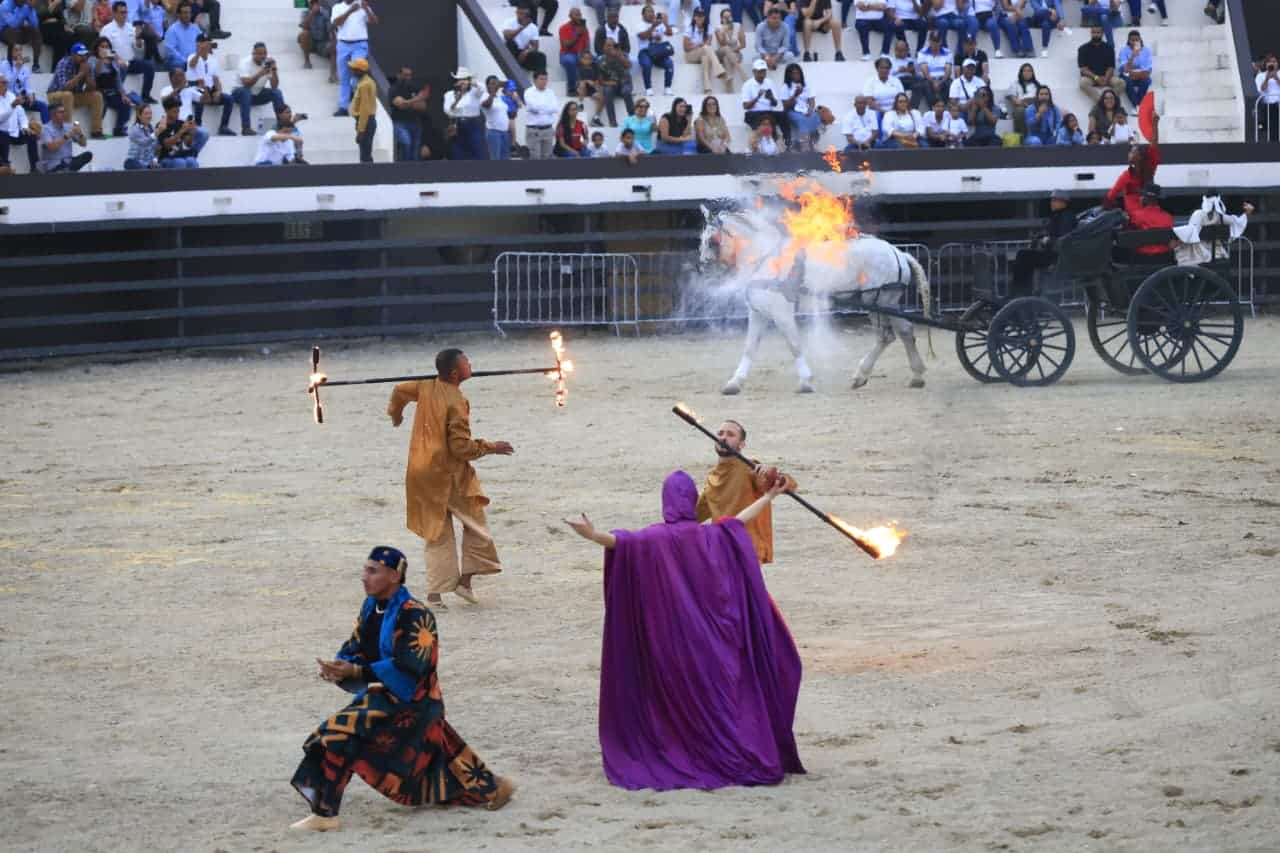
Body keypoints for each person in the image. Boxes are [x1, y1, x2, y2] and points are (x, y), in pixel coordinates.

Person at [563, 470, 804, 791]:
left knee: (677, 707)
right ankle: (723, 756)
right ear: (692, 502)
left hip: (672, 648)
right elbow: (739, 521)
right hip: (713, 645)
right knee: (717, 706)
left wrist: (591, 534)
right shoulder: (712, 536)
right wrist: (769, 497)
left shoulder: (651, 539)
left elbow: (618, 541)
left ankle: (689, 754)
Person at [289, 546, 515, 831]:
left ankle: (325, 815)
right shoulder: (371, 607)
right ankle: (494, 788)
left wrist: (358, 671)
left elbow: (411, 668)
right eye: (364, 569)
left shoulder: (416, 615)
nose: (364, 576)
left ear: (394, 576)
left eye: (373, 571)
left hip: (413, 704)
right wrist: (339, 668)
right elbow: (357, 647)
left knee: (335, 737)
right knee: (436, 766)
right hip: (387, 697)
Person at [386, 348, 513, 610]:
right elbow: (460, 448)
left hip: (420, 472)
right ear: (456, 373)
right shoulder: (456, 401)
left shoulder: (424, 386)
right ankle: (464, 582)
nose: (471, 364)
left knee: (437, 532)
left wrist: (396, 414)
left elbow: (399, 391)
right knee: (476, 525)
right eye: (467, 362)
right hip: (448, 475)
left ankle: (434, 596)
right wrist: (491, 446)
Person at [694, 420, 796, 564]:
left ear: (742, 444)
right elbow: (695, 516)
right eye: (720, 433)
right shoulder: (713, 476)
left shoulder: (750, 467)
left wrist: (773, 476)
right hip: (720, 549)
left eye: (730, 435)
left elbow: (788, 485)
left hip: (746, 550)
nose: (723, 437)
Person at [1010, 188, 1074, 294]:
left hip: (1057, 256)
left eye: (1055, 201)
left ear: (1064, 203)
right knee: (1024, 256)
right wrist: (1039, 236)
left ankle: (1019, 293)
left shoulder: (1067, 217)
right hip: (1052, 253)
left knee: (1023, 256)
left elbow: (1064, 238)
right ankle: (1022, 292)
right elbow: (1050, 231)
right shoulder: (1058, 215)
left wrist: (1048, 240)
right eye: (1052, 200)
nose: (1052, 203)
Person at [98, 1, 154, 103]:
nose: (124, 15)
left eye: (125, 12)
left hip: (130, 62)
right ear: (114, 13)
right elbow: (102, 51)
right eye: (121, 12)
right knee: (119, 67)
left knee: (149, 65)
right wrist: (116, 58)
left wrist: (138, 40)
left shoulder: (131, 28)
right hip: (114, 63)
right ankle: (118, 94)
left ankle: (146, 95)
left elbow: (138, 50)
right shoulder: (106, 30)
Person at [1103, 109, 1157, 212]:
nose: (1129, 153)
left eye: (1132, 152)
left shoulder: (1127, 175)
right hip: (1146, 212)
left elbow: (1111, 196)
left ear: (1139, 158)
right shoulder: (1150, 169)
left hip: (1136, 214)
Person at [46, 41, 104, 137]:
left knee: (97, 95)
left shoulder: (86, 65)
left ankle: (96, 130)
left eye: (85, 55)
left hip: (74, 96)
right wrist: (80, 74)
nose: (84, 58)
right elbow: (64, 87)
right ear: (73, 55)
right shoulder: (64, 63)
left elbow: (92, 88)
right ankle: (66, 130)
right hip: (55, 95)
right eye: (80, 55)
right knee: (67, 95)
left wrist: (88, 75)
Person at [331, 0, 376, 117]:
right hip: (343, 44)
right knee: (343, 77)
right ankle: (343, 107)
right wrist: (350, 11)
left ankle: (358, 102)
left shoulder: (362, 4)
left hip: (360, 44)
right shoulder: (337, 7)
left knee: (357, 73)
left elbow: (374, 21)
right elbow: (336, 23)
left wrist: (366, 9)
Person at [232, 42, 286, 136]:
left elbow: (274, 86)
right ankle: (246, 128)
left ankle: (281, 125)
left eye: (265, 53)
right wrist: (260, 74)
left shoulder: (267, 63)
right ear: (253, 54)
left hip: (257, 94)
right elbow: (246, 84)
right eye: (260, 54)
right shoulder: (244, 62)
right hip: (239, 94)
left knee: (277, 93)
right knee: (246, 92)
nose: (263, 56)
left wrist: (274, 71)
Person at [88, 36, 133, 137]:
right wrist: (101, 59)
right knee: (102, 105)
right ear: (97, 48)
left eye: (107, 47)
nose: (105, 49)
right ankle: (96, 130)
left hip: (112, 91)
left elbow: (118, 79)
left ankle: (119, 128)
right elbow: (95, 74)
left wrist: (123, 94)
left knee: (126, 104)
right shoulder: (92, 59)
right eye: (102, 46)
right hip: (99, 90)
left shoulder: (112, 61)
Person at [0, 68, 38, 171]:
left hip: (15, 133)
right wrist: (12, 106)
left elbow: (21, 114)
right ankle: (5, 166)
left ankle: (34, 167)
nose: (6, 84)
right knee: (3, 135)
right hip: (3, 134)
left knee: (32, 135)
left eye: (6, 82)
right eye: (3, 82)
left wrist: (25, 127)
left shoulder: (11, 95)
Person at [36, 98, 91, 169]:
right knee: (62, 167)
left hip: (69, 161)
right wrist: (67, 136)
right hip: (54, 164)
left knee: (88, 155)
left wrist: (80, 134)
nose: (64, 114)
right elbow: (51, 147)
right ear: (52, 114)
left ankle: (68, 169)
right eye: (61, 112)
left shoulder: (69, 126)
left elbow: (84, 144)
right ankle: (66, 170)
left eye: (64, 112)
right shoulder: (45, 128)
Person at [0, 41, 48, 122]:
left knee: (43, 106)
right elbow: (7, 84)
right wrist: (17, 69)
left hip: (22, 98)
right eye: (16, 50)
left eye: (20, 50)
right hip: (8, 99)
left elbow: (27, 86)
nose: (19, 52)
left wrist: (30, 94)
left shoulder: (25, 68)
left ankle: (48, 132)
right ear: (10, 52)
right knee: (17, 108)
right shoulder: (4, 65)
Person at [444, 66, 484, 160]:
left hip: (473, 123)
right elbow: (448, 111)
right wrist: (457, 100)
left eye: (465, 79)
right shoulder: (450, 94)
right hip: (458, 124)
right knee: (458, 152)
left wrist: (471, 82)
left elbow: (483, 88)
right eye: (460, 80)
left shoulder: (474, 93)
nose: (462, 82)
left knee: (476, 150)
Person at [1124, 183, 1174, 259]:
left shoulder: (1136, 216)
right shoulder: (1168, 217)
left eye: (1142, 196)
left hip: (1142, 258)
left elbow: (1127, 233)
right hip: (1164, 258)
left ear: (1145, 198)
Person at [390, 64, 428, 162]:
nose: (408, 77)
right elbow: (400, 104)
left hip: (415, 123)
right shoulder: (394, 89)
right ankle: (402, 171)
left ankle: (413, 175)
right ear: (398, 75)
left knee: (414, 152)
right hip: (400, 123)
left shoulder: (414, 88)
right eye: (405, 75)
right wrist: (416, 99)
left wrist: (408, 102)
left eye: (409, 75)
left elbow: (423, 106)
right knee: (405, 143)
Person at [682, 6, 724, 94]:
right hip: (690, 56)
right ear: (694, 17)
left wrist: (696, 45)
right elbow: (686, 48)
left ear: (705, 17)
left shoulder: (708, 27)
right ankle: (718, 68)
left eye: (702, 16)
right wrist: (698, 45)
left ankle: (707, 88)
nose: (700, 18)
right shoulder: (690, 28)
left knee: (705, 58)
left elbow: (707, 44)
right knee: (706, 49)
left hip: (703, 53)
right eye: (698, 16)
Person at [1077, 24, 1123, 104]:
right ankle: (1102, 102)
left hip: (1106, 76)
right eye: (1094, 32)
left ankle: (1111, 100)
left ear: (1102, 33)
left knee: (1121, 83)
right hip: (1091, 77)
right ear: (1091, 33)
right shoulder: (1083, 49)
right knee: (1083, 83)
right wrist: (1096, 78)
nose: (1096, 35)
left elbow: (1111, 67)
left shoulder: (1109, 48)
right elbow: (1083, 69)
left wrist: (1106, 79)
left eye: (1098, 32)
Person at [742, 57, 785, 139]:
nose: (762, 74)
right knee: (764, 118)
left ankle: (787, 141)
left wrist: (771, 97)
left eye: (764, 71)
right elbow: (745, 106)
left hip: (768, 111)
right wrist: (757, 98)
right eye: (760, 71)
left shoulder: (770, 82)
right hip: (754, 112)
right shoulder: (747, 85)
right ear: (754, 72)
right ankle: (761, 142)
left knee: (783, 115)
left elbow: (775, 104)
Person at [637, 5, 674, 96]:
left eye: (652, 12)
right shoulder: (640, 25)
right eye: (648, 12)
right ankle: (648, 89)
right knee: (647, 64)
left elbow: (670, 33)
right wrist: (653, 27)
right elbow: (643, 36)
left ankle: (667, 88)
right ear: (643, 15)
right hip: (645, 51)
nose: (651, 14)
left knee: (669, 63)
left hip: (658, 52)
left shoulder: (660, 24)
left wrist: (665, 23)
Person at [596, 37, 632, 127]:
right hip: (612, 85)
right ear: (604, 47)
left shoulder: (622, 54)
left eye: (612, 45)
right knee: (607, 91)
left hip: (625, 83)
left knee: (626, 92)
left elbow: (629, 66)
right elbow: (600, 81)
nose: (610, 48)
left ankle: (632, 119)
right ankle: (612, 122)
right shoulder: (601, 60)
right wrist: (609, 83)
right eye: (607, 45)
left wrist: (618, 56)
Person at [155, 92, 199, 166]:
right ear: (167, 111)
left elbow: (188, 144)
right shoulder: (161, 125)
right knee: (180, 162)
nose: (177, 114)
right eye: (174, 111)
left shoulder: (180, 123)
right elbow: (167, 145)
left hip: (179, 155)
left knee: (192, 161)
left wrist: (192, 132)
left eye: (178, 111)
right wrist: (181, 131)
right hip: (165, 158)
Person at [298, 0, 336, 83]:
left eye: (316, 3)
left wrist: (332, 42)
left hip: (322, 43)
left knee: (333, 47)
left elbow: (330, 30)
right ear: (309, 4)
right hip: (311, 42)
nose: (314, 5)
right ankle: (307, 62)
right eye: (312, 3)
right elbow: (303, 26)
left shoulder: (325, 13)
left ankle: (333, 75)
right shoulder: (306, 13)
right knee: (304, 34)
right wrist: (312, 14)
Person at [781, 61, 817, 150]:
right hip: (792, 111)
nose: (796, 75)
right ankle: (805, 147)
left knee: (815, 117)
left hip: (805, 110)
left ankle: (812, 144)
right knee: (802, 120)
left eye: (798, 72)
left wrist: (810, 110)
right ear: (789, 75)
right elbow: (786, 106)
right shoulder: (785, 87)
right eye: (793, 73)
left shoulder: (806, 85)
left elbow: (811, 100)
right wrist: (795, 94)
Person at [522, 68, 557, 159]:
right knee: (535, 157)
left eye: (546, 79)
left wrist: (540, 108)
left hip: (548, 129)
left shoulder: (551, 92)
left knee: (547, 157)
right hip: (534, 130)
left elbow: (555, 108)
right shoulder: (528, 92)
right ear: (535, 80)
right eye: (541, 79)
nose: (544, 81)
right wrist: (546, 107)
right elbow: (534, 107)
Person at [0, 0, 43, 72]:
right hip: (3, 31)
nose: (24, 1)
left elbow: (35, 24)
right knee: (13, 33)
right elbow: (12, 24)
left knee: (35, 32)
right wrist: (22, 9)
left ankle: (36, 65)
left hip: (18, 30)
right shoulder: (5, 5)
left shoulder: (25, 5)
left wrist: (31, 9)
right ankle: (10, 64)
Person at [348, 54, 375, 162]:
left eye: (353, 69)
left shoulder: (364, 85)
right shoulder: (368, 81)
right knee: (366, 153)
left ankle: (368, 177)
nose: (351, 71)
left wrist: (361, 131)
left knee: (365, 155)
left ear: (360, 71)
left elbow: (364, 109)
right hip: (368, 121)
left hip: (365, 122)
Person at [503, 6, 546, 73]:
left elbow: (535, 46)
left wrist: (527, 51)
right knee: (510, 43)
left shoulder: (533, 27)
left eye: (524, 12)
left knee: (541, 56)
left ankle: (539, 78)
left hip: (523, 52)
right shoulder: (509, 22)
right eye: (520, 11)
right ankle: (512, 68)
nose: (521, 14)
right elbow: (507, 37)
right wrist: (522, 27)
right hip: (511, 51)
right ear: (516, 12)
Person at [1115, 28, 1150, 110]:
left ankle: (1137, 106)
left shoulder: (1146, 51)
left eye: (1136, 40)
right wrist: (1132, 56)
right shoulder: (1123, 50)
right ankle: (1138, 106)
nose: (1134, 42)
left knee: (1147, 80)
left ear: (1140, 40)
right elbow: (1125, 69)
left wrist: (1137, 73)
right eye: (1132, 40)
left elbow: (1148, 69)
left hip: (1140, 75)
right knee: (1127, 81)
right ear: (1128, 40)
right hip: (1127, 75)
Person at [558, 6, 589, 95]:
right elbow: (566, 45)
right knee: (570, 61)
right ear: (570, 16)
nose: (579, 17)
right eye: (576, 15)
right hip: (567, 54)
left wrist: (585, 55)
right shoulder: (563, 28)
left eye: (580, 15)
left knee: (596, 60)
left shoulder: (584, 29)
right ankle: (571, 89)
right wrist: (577, 36)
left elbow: (587, 45)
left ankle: (592, 89)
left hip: (581, 53)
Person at [480, 75, 511, 160]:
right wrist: (492, 92)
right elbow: (487, 105)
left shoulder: (500, 98)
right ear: (487, 85)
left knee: (505, 158)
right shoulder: (484, 96)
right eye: (492, 84)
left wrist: (502, 84)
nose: (495, 85)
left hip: (505, 132)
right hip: (494, 132)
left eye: (496, 83)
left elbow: (509, 83)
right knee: (495, 159)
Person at [753, 5, 794, 70]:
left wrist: (776, 57)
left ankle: (787, 76)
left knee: (790, 56)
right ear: (768, 18)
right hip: (765, 54)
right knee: (755, 60)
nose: (777, 20)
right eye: (774, 18)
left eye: (779, 18)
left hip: (779, 54)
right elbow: (758, 46)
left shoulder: (785, 27)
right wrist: (766, 56)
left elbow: (785, 46)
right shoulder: (760, 27)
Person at [714, 7, 744, 89]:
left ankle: (729, 85)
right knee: (726, 49)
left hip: (735, 52)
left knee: (727, 58)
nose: (727, 19)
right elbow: (722, 44)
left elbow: (743, 44)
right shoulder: (718, 28)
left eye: (729, 16)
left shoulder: (738, 26)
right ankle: (741, 72)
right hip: (721, 52)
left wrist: (733, 51)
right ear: (721, 18)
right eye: (725, 17)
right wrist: (724, 32)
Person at [1004, 61, 1036, 135]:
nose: (1027, 73)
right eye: (1024, 70)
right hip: (1021, 108)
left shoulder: (1037, 85)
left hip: (1034, 108)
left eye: (1029, 71)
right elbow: (1014, 100)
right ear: (1021, 72)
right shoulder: (1015, 84)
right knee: (1020, 111)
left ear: (1032, 73)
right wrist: (1025, 104)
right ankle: (1022, 138)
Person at [122, 100, 157, 167]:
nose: (149, 116)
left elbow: (153, 148)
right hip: (133, 161)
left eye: (150, 113)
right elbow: (144, 143)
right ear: (139, 115)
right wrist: (156, 132)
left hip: (147, 163)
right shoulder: (134, 129)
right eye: (146, 114)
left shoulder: (151, 129)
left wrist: (155, 160)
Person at [1257, 52, 1280, 142]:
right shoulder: (1260, 76)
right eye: (1270, 62)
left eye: (1274, 62)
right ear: (1266, 64)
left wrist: (1276, 77)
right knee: (1272, 130)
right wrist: (1267, 78)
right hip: (1269, 107)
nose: (1272, 64)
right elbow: (1261, 90)